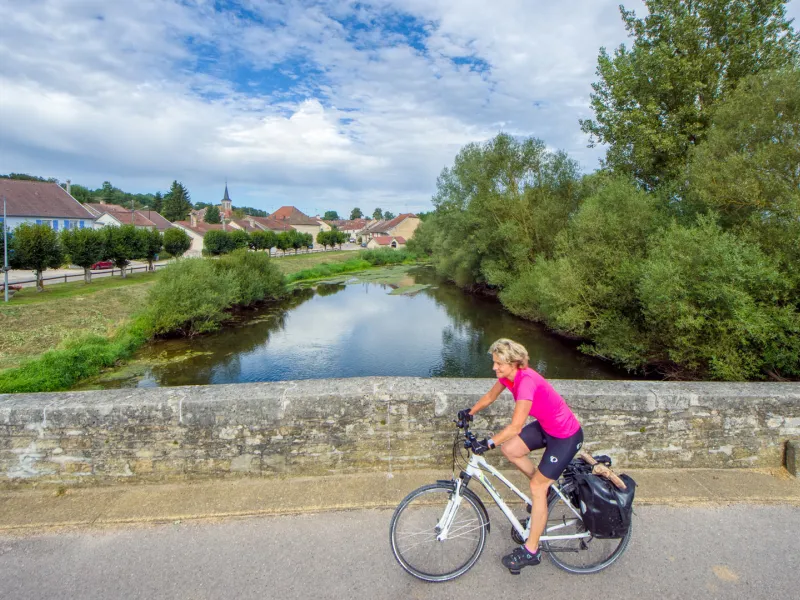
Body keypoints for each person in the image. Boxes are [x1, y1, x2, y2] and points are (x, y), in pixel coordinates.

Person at [457, 338, 583, 573]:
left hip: (566, 436)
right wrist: (470, 412)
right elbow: (491, 396)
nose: (494, 367)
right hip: (547, 427)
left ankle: (532, 551)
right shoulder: (508, 377)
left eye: (499, 364)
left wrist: (489, 443)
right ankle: (545, 492)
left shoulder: (525, 383)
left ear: (514, 363)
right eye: (494, 362)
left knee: (536, 487)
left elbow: (515, 427)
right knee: (511, 449)